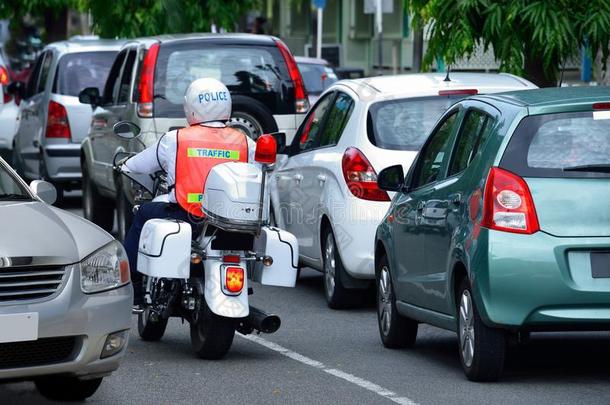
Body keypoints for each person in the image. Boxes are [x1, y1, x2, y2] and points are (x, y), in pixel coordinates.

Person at [121, 78, 257, 306]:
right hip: (229, 223)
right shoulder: (245, 142)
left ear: (191, 107)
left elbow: (137, 166)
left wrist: (125, 163)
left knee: (143, 212)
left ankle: (131, 284)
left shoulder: (176, 139)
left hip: (185, 215)